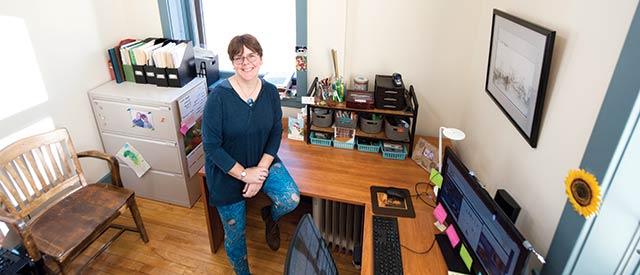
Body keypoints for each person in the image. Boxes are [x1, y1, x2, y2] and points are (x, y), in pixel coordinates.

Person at [202, 34, 300, 275]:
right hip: (227, 172)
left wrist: (260, 171)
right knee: (236, 234)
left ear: (261, 58)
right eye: (238, 58)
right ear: (232, 62)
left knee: (290, 198)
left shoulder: (269, 92)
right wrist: (246, 175)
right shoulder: (218, 98)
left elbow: (276, 130)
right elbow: (211, 147)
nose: (245, 62)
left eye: (251, 56)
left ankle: (270, 217)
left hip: (261, 161)